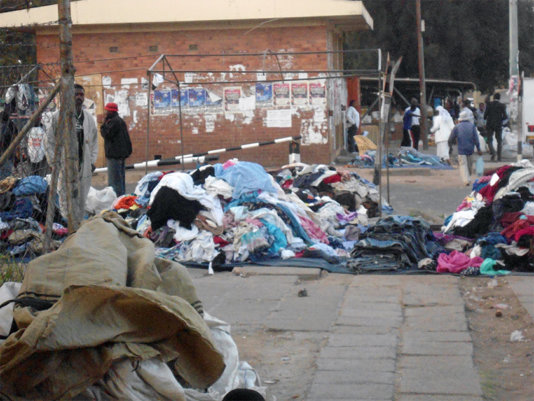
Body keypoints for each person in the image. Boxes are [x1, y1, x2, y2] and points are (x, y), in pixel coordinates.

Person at [46, 83, 98, 220]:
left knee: (81, 197)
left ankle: (78, 226)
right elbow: (49, 141)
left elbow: (94, 141)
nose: (79, 97)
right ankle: (67, 225)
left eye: (81, 95)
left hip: (83, 164)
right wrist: (54, 162)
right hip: (65, 164)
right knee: (65, 197)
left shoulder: (88, 118)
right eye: (76, 94)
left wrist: (92, 161)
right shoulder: (58, 117)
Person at [100, 102, 132, 196]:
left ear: (110, 111)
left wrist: (102, 124)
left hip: (114, 155)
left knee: (114, 182)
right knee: (120, 179)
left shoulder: (113, 122)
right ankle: (122, 198)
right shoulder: (120, 121)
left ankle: (116, 200)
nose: (105, 112)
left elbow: (106, 134)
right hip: (120, 155)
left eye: (106, 110)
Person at [448, 110, 482, 186]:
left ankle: (466, 180)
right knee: (469, 166)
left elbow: (450, 139)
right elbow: (476, 138)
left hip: (461, 150)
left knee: (463, 165)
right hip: (470, 149)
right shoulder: (472, 126)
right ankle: (468, 177)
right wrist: (479, 149)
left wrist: (450, 147)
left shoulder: (457, 127)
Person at [484, 92, 507, 161]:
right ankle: (499, 157)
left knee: (489, 140)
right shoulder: (502, 105)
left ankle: (493, 152)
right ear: (499, 98)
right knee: (499, 141)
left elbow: (485, 116)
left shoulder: (489, 104)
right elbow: (505, 116)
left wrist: (488, 118)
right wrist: (500, 120)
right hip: (498, 125)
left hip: (490, 125)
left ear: (493, 98)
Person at [0, 104, 17, 179]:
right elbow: (16, 137)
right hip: (9, 154)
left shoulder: (3, 127)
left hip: (3, 153)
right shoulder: (12, 125)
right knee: (6, 177)